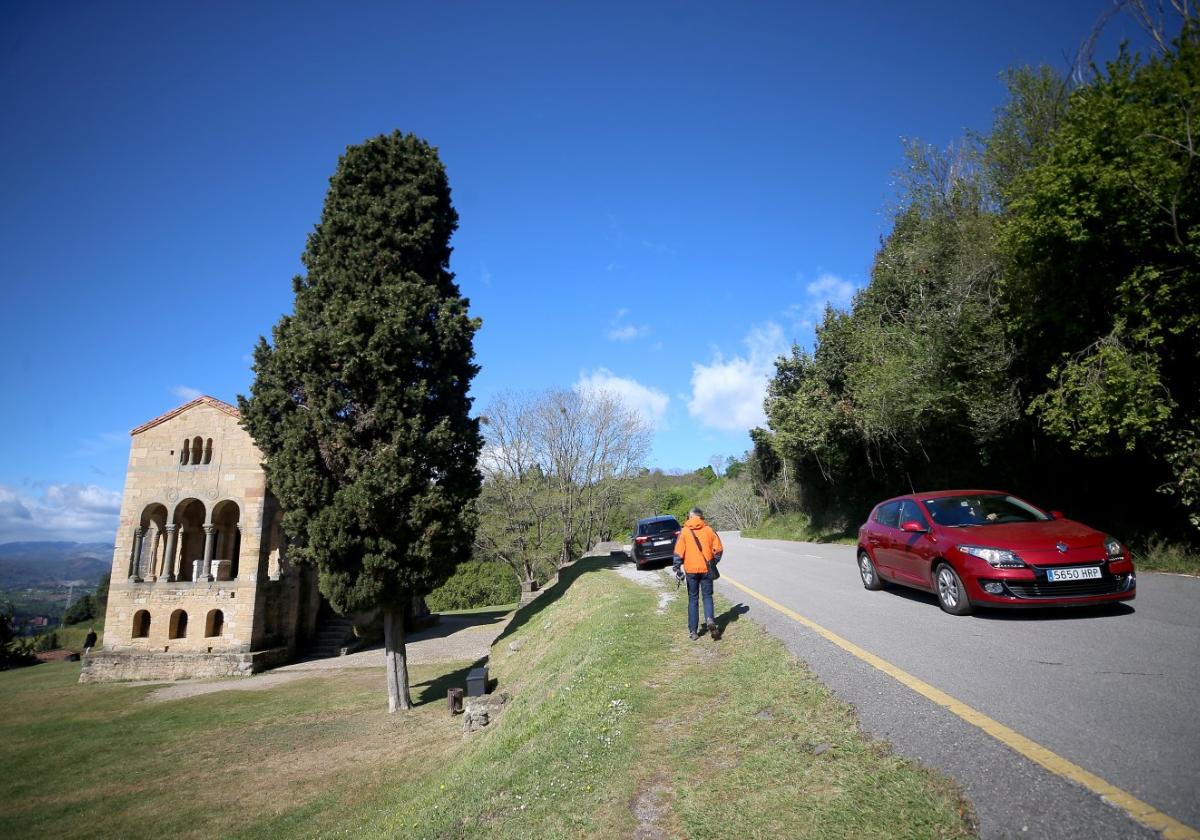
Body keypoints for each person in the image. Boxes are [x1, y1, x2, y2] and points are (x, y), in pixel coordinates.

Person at [672, 507, 724, 641]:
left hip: (691, 570)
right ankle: (710, 619)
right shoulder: (709, 530)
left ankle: (693, 632)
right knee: (707, 596)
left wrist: (677, 568)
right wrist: (712, 563)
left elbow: (678, 552)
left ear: (690, 517)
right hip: (706, 569)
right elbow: (718, 550)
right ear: (701, 517)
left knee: (693, 599)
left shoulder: (683, 532)